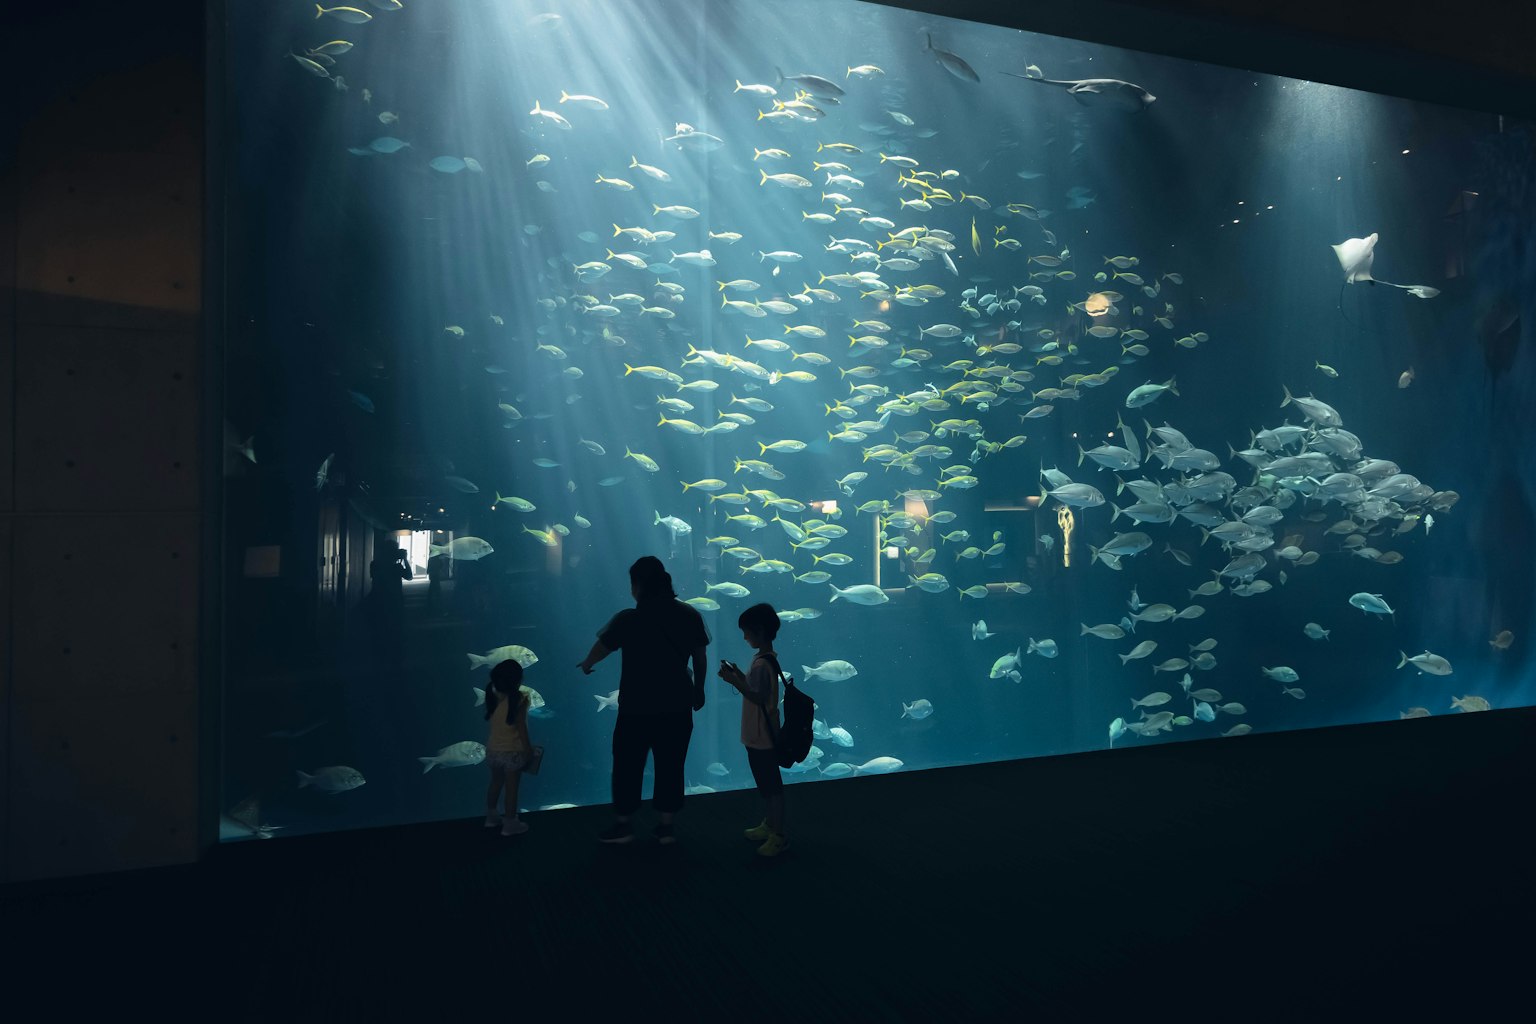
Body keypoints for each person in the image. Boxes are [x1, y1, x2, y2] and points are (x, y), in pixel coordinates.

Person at [578, 556, 710, 845]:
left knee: (627, 763)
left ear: (638, 585)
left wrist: (587, 663)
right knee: (671, 764)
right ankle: (666, 826)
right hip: (676, 704)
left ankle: (624, 824)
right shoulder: (689, 615)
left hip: (636, 706)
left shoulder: (629, 618)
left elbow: (603, 647)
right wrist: (699, 689)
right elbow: (700, 657)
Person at [716, 603, 789, 857]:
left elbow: (757, 696)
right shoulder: (765, 659)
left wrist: (732, 679)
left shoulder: (761, 664)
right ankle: (769, 825)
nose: (744, 637)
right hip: (760, 734)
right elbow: (758, 690)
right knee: (767, 786)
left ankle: (778, 835)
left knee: (773, 788)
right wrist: (738, 674)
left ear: (759, 631)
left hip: (762, 737)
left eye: (746, 632)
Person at [483, 659, 534, 836]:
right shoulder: (521, 698)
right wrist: (528, 749)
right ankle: (510, 824)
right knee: (512, 789)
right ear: (518, 680)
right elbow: (521, 727)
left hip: (492, 751)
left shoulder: (492, 694)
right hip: (512, 752)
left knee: (495, 783)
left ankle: (491, 817)